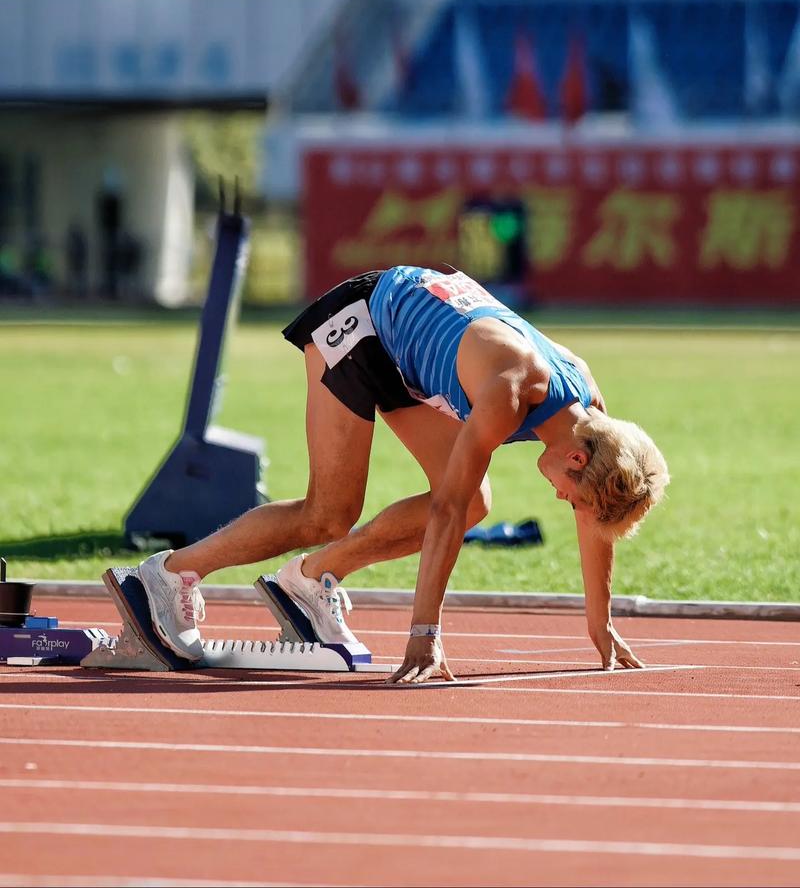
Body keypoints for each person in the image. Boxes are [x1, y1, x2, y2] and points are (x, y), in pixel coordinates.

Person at [138, 265, 669, 683]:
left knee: (476, 502)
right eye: (571, 498)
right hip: (359, 324)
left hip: (406, 351)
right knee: (329, 513)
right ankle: (164, 577)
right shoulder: (510, 391)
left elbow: (592, 518)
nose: (561, 501)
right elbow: (446, 509)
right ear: (576, 461)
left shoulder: (593, 417)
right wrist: (423, 632)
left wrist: (599, 622)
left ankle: (306, 580)